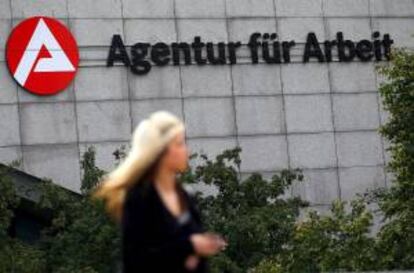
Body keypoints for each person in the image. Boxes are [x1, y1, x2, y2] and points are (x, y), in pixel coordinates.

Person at [92, 110, 227, 273]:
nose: (187, 151)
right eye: (179, 144)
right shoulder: (139, 198)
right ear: (161, 152)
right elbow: (136, 260)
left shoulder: (186, 196)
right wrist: (190, 246)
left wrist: (200, 250)